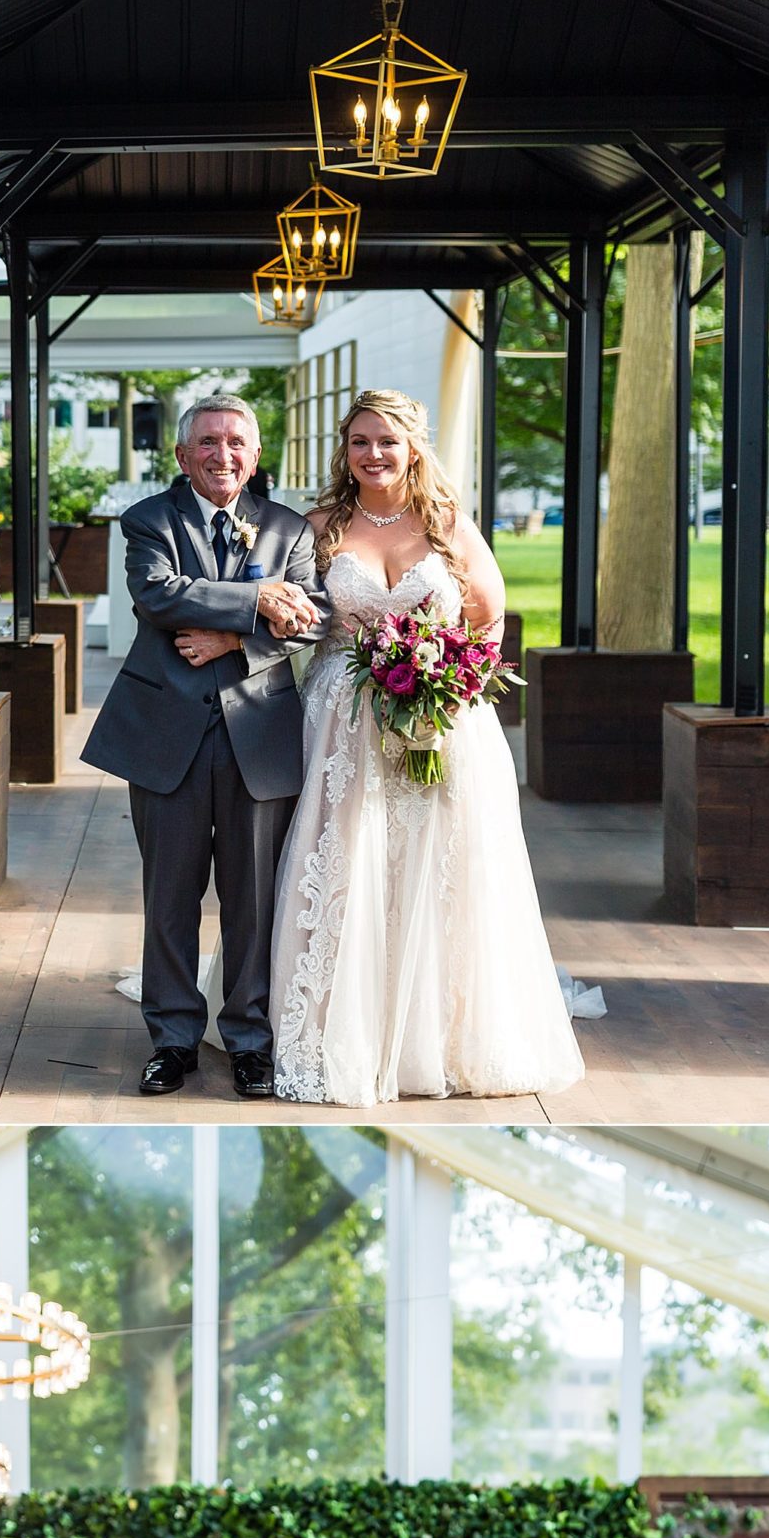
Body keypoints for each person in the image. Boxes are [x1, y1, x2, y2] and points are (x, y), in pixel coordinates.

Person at [267, 389, 589, 1105]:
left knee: (438, 865)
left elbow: (489, 615)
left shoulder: (446, 524)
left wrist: (447, 685)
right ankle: (336, 1028)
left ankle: (435, 1038)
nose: (374, 454)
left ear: (414, 446)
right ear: (343, 451)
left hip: (440, 718)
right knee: (347, 857)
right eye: (360, 442)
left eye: (387, 440)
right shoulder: (318, 525)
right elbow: (294, 616)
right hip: (342, 721)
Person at [80, 393, 331, 1100]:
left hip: (261, 735)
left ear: (255, 456)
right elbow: (157, 596)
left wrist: (234, 634)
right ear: (185, 455)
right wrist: (259, 603)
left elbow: (318, 615)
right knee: (170, 898)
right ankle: (172, 1040)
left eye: (238, 444)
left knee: (253, 900)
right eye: (210, 443)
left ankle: (249, 1041)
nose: (224, 455)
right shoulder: (149, 519)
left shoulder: (288, 528)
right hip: (167, 738)